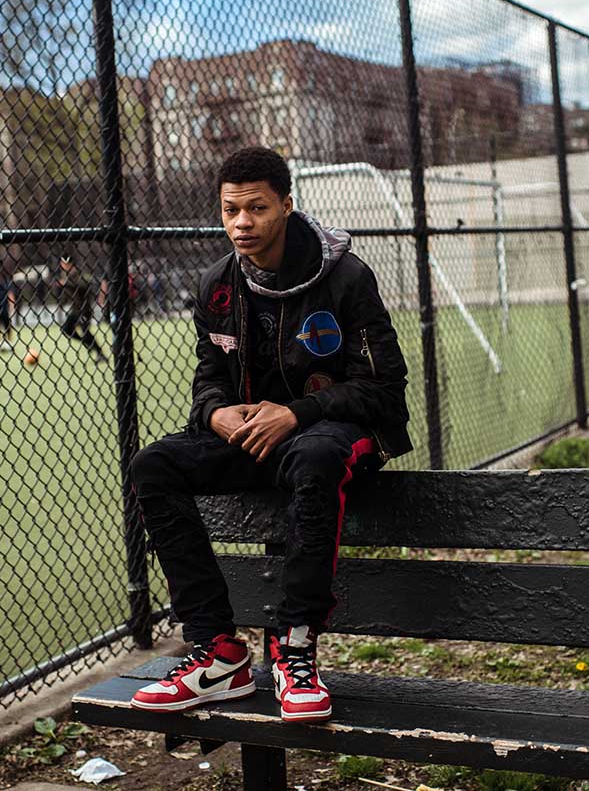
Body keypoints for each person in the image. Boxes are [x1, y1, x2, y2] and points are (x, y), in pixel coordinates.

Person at [127, 146, 412, 723]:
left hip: (332, 436)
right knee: (153, 465)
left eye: (256, 208)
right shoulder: (216, 285)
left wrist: (297, 412)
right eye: (230, 209)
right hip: (255, 439)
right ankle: (218, 651)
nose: (242, 223)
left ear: (286, 203)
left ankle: (295, 648)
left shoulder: (347, 276)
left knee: (313, 459)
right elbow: (209, 377)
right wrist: (214, 415)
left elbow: (384, 389)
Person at [58, 254, 107, 363]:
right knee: (66, 329)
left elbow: (84, 285)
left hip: (85, 309)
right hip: (75, 310)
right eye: (63, 264)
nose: (64, 267)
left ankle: (100, 353)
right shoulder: (65, 276)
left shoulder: (80, 274)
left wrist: (67, 283)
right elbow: (67, 294)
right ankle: (86, 343)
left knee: (85, 331)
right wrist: (61, 302)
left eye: (66, 264)